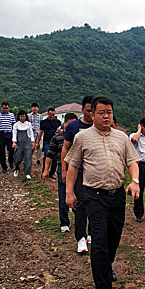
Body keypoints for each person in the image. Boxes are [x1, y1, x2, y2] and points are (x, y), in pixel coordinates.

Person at [65, 96, 140, 289]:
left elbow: (132, 162)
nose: (106, 116)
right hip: (93, 196)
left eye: (109, 112)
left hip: (117, 196)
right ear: (92, 114)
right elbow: (73, 166)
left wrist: (134, 181)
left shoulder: (122, 137)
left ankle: (106, 266)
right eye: (101, 113)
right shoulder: (82, 137)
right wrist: (69, 193)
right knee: (98, 240)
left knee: (113, 238)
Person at [61, 96, 94, 253]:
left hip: (95, 173)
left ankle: (92, 234)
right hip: (78, 172)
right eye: (88, 110)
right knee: (81, 204)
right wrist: (64, 169)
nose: (90, 113)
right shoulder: (73, 127)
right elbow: (65, 148)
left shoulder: (99, 127)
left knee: (95, 204)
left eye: (93, 110)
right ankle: (81, 238)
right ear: (82, 110)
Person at [44, 112, 78, 232]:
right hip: (62, 169)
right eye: (69, 124)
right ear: (64, 124)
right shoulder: (57, 138)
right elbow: (50, 155)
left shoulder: (80, 138)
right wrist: (46, 170)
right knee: (63, 196)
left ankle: (79, 219)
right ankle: (64, 222)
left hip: (78, 170)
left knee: (78, 196)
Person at [37, 108, 61, 178]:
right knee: (47, 156)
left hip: (56, 142)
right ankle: (44, 172)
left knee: (55, 158)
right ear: (47, 114)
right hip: (47, 141)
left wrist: (60, 131)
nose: (52, 116)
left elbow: (61, 130)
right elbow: (40, 132)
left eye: (53, 115)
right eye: (50, 115)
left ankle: (52, 173)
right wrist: (38, 142)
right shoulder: (43, 122)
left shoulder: (58, 122)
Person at [0, 102, 16, 173]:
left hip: (9, 134)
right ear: (1, 108)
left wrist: (15, 135)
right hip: (1, 134)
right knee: (1, 151)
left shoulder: (11, 115)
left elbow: (14, 125)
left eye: (7, 108)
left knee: (11, 150)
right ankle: (4, 167)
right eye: (4, 108)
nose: (5, 109)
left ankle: (11, 162)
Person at [12, 110, 35, 180]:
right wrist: (14, 142)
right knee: (17, 157)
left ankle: (27, 173)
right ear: (19, 117)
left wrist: (32, 142)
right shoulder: (16, 125)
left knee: (28, 158)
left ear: (26, 117)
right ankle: (16, 169)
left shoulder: (28, 124)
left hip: (27, 143)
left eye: (24, 116)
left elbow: (31, 133)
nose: (22, 118)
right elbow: (14, 133)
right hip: (19, 143)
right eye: (21, 116)